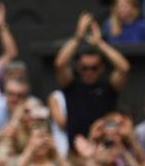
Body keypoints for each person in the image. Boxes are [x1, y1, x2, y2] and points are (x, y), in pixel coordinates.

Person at [51, 14, 131, 142]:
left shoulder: (108, 87)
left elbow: (124, 68)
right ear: (78, 68)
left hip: (104, 148)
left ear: (101, 68)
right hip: (76, 151)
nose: (89, 72)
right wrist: (78, 37)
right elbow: (60, 64)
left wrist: (100, 43)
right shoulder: (71, 85)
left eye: (94, 68)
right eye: (85, 68)